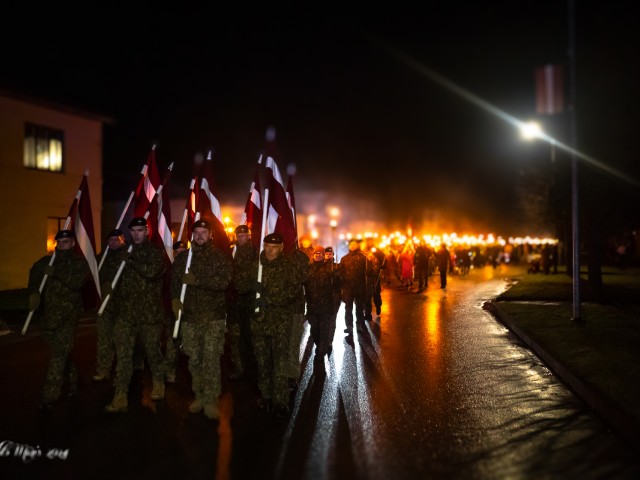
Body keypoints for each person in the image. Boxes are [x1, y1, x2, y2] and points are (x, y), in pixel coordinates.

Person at [105, 217, 168, 413]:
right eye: (133, 231)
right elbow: (114, 280)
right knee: (123, 356)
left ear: (147, 231)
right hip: (125, 314)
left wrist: (131, 260)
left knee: (152, 352)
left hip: (149, 315)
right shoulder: (122, 253)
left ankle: (158, 382)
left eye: (140, 230)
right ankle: (120, 395)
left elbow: (151, 272)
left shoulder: (155, 252)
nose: (136, 234)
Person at [171, 219, 233, 420]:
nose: (199, 236)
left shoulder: (219, 258)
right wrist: (175, 302)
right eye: (196, 233)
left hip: (212, 318)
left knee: (211, 359)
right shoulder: (183, 259)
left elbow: (223, 282)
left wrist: (198, 281)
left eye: (203, 233)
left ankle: (211, 400)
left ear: (210, 235)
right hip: (189, 318)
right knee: (194, 359)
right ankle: (199, 394)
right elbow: (174, 284)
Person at [28, 229, 90, 412]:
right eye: (60, 242)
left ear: (72, 243)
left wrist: (55, 272)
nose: (62, 244)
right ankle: (73, 379)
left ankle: (49, 396)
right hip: (49, 316)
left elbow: (77, 282)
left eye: (66, 242)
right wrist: (33, 293)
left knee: (58, 355)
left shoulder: (78, 263)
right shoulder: (48, 260)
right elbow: (35, 274)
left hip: (68, 316)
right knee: (61, 351)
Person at [252, 233, 299, 418]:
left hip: (279, 323)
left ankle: (280, 401)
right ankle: (265, 395)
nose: (269, 250)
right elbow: (240, 287)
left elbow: (292, 292)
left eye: (273, 247)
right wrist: (251, 288)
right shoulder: (256, 265)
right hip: (258, 323)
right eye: (266, 246)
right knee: (262, 362)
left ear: (280, 248)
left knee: (279, 363)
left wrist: (266, 298)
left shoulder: (288, 268)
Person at [93, 228, 126, 382]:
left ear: (123, 240)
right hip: (105, 307)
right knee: (104, 340)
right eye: (111, 240)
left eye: (116, 240)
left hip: (122, 307)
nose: (113, 243)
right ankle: (103, 369)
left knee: (121, 342)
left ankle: (121, 373)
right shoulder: (102, 258)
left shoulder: (127, 256)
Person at [228, 224, 259, 382]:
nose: (240, 238)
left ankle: (254, 369)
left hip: (250, 300)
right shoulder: (232, 251)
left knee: (251, 337)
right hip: (235, 301)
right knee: (236, 337)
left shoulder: (255, 252)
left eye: (243, 235)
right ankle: (239, 368)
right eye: (238, 236)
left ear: (249, 236)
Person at [304, 245, 340, 370]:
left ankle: (320, 353)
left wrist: (336, 275)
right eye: (316, 253)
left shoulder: (329, 268)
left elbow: (338, 283)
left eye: (320, 253)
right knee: (315, 330)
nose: (318, 255)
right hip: (313, 307)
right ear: (313, 255)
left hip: (326, 306)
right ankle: (321, 345)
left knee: (324, 331)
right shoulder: (308, 268)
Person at [338, 239, 370, 335]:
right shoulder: (344, 259)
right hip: (348, 288)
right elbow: (340, 272)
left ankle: (359, 324)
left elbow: (369, 271)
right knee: (348, 308)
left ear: (357, 246)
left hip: (360, 287)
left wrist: (370, 272)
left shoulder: (363, 258)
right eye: (351, 244)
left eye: (354, 244)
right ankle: (349, 326)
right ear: (349, 246)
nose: (352, 246)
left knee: (359, 307)